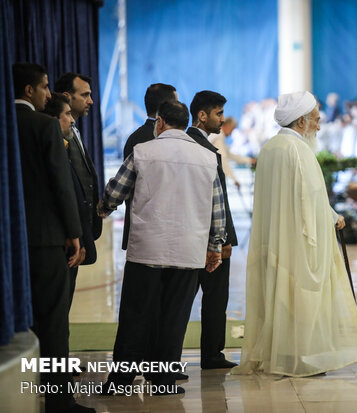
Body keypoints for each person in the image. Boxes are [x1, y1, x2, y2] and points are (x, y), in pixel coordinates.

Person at [232, 91, 357, 377]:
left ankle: (281, 354)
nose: (319, 126)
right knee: (301, 298)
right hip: (299, 239)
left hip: (276, 240)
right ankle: (300, 358)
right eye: (316, 121)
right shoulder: (298, 150)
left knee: (280, 297)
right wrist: (335, 218)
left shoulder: (271, 146)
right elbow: (311, 199)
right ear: (301, 122)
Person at [98, 101, 226, 394]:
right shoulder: (208, 158)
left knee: (135, 315)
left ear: (159, 122)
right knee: (174, 317)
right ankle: (163, 381)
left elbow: (115, 191)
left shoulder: (143, 152)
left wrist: (103, 209)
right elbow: (217, 209)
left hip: (147, 250)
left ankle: (121, 382)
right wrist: (215, 245)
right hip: (188, 251)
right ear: (185, 123)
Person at [13, 62, 92, 413]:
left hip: (10, 240)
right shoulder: (43, 125)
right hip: (45, 238)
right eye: (45, 87)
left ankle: (18, 390)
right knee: (53, 321)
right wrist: (74, 233)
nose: (49, 94)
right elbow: (60, 184)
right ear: (29, 90)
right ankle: (59, 400)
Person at [186, 91, 238, 369]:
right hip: (209, 238)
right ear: (202, 116)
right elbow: (218, 200)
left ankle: (167, 358)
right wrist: (224, 238)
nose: (221, 119)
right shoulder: (204, 150)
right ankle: (211, 354)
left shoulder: (192, 144)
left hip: (189, 235)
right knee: (215, 298)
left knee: (180, 302)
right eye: (218, 113)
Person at [54, 73, 102, 306]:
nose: (90, 101)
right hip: (66, 236)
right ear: (66, 96)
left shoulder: (74, 130)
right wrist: (74, 233)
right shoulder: (54, 134)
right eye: (85, 95)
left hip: (79, 232)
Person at [120, 83, 177, 251]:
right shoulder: (173, 139)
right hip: (165, 229)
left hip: (139, 228)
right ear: (168, 107)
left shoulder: (134, 138)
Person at [43, 93, 95, 274]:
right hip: (62, 242)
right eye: (67, 114)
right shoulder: (50, 152)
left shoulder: (65, 143)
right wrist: (74, 235)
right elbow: (63, 193)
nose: (72, 121)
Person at [208, 116, 256, 189]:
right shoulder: (218, 136)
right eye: (232, 129)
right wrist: (234, 180)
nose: (231, 134)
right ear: (227, 125)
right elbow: (223, 160)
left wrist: (250, 160)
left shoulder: (217, 135)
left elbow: (231, 155)